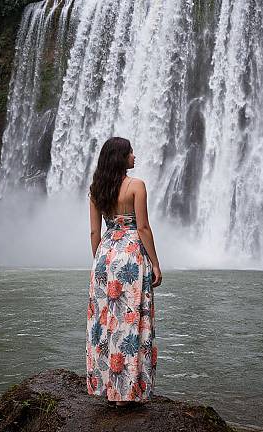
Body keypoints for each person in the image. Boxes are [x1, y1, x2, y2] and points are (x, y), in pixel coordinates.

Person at [85, 136, 162, 408]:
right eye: (130, 152)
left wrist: (100, 261)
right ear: (121, 157)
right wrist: (155, 262)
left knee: (106, 322)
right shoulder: (136, 186)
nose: (134, 156)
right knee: (130, 322)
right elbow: (142, 228)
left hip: (106, 255)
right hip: (131, 255)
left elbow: (95, 231)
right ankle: (126, 393)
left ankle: (108, 388)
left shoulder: (96, 189)